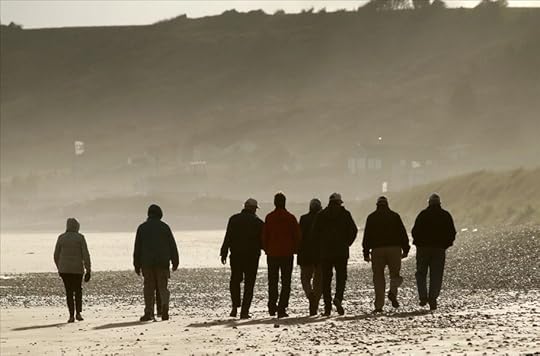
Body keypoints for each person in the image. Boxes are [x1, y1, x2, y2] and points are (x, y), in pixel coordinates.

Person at [362, 196, 410, 313]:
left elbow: (367, 236)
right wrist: (406, 249)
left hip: (377, 250)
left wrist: (366, 253)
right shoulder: (394, 216)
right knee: (395, 275)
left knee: (378, 277)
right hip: (394, 249)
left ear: (377, 205)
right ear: (387, 204)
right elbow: (402, 233)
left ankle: (379, 306)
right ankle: (392, 292)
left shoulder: (371, 217)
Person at [313, 193, 358, 316]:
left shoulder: (321, 215)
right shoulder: (345, 214)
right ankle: (338, 297)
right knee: (341, 277)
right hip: (341, 251)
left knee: (326, 280)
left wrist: (320, 246)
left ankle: (327, 307)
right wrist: (347, 243)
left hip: (326, 252)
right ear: (339, 202)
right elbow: (353, 230)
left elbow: (315, 233)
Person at [133, 204, 179, 321]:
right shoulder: (165, 227)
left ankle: (149, 312)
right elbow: (172, 245)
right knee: (163, 287)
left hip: (147, 262)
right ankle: (164, 307)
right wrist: (175, 260)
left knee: (148, 288)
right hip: (162, 262)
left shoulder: (142, 228)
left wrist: (136, 264)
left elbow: (137, 247)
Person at [220, 198, 264, 319]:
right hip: (252, 256)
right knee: (249, 284)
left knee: (235, 280)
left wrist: (223, 252)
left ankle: (235, 306)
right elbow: (262, 241)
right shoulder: (258, 222)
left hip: (236, 255)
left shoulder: (234, 219)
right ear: (254, 208)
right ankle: (244, 311)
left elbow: (228, 236)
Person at [412, 193, 456, 310]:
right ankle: (433, 299)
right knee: (436, 275)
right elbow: (452, 232)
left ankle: (423, 297)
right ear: (439, 203)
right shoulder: (445, 215)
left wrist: (418, 243)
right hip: (439, 249)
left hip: (423, 249)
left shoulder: (423, 214)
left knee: (421, 273)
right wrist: (446, 245)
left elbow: (414, 231)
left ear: (429, 203)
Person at [262, 192, 301, 318]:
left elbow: (264, 235)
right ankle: (282, 307)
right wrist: (295, 249)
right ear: (284, 202)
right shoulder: (291, 218)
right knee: (286, 282)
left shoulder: (269, 217)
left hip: (272, 253)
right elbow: (297, 236)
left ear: (274, 203)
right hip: (287, 253)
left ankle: (272, 306)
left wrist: (266, 249)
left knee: (272, 281)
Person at [53, 218, 91, 323]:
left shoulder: (61, 238)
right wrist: (88, 269)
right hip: (77, 269)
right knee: (78, 290)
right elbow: (85, 254)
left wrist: (59, 267)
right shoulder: (80, 238)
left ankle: (71, 315)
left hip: (65, 270)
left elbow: (56, 255)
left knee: (69, 292)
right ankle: (78, 313)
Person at [298, 198, 323, 316]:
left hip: (305, 254)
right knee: (318, 281)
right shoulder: (323, 219)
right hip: (319, 254)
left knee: (305, 279)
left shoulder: (303, 219)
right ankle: (315, 304)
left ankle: (309, 294)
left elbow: (299, 236)